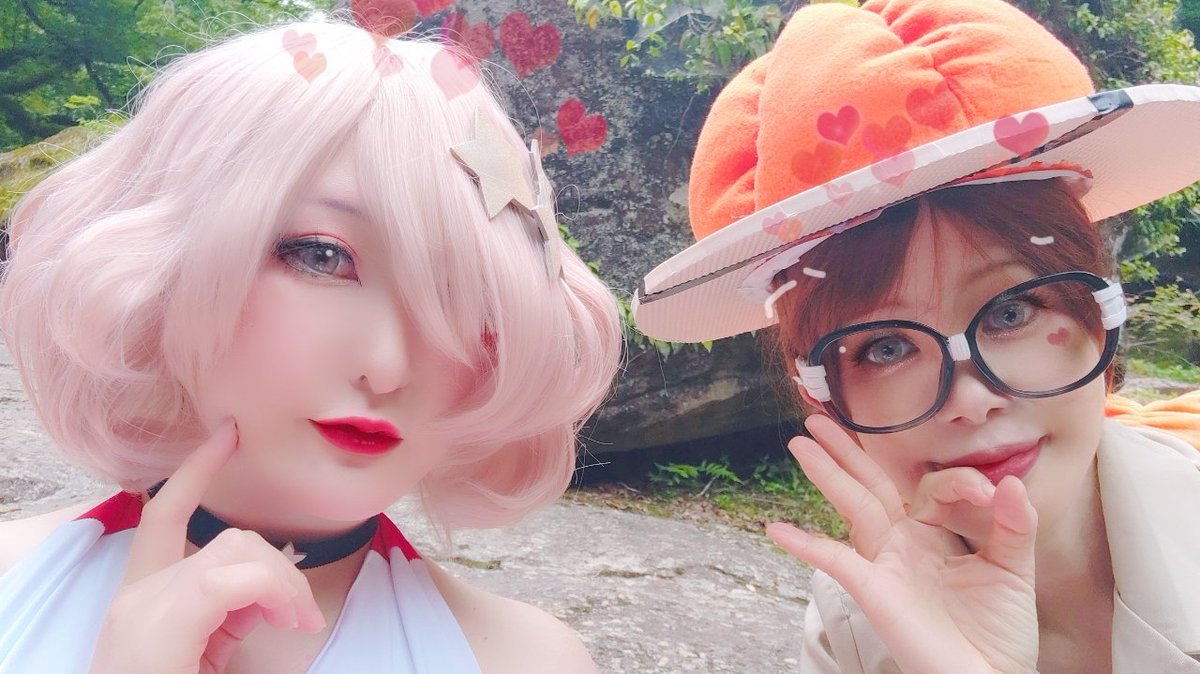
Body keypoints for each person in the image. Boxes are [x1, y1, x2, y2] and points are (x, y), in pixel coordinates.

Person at [0, 17, 621, 673]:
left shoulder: (529, 660)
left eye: (465, 293)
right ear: (160, 268)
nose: (387, 369)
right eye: (322, 256)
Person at [633, 0, 1200, 671]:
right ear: (819, 392)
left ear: (1098, 306)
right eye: (887, 348)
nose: (971, 400)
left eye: (1011, 312)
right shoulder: (853, 635)